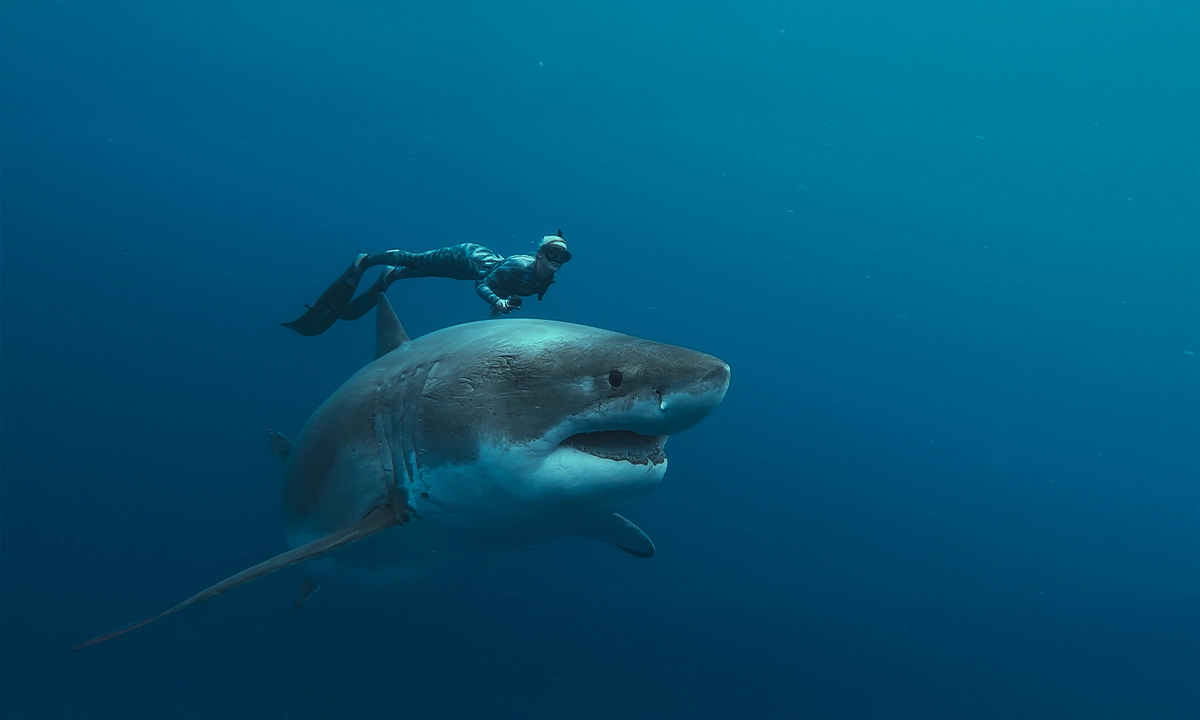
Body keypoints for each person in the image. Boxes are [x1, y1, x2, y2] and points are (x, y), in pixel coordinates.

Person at [281, 231, 572, 337]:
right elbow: (484, 283)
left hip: (473, 269)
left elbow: (511, 288)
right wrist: (496, 302)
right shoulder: (519, 265)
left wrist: (502, 303)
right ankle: (367, 260)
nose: (556, 260)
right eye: (551, 253)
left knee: (431, 272)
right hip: (468, 256)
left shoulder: (549, 280)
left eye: (562, 257)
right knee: (419, 260)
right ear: (539, 253)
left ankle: (391, 275)